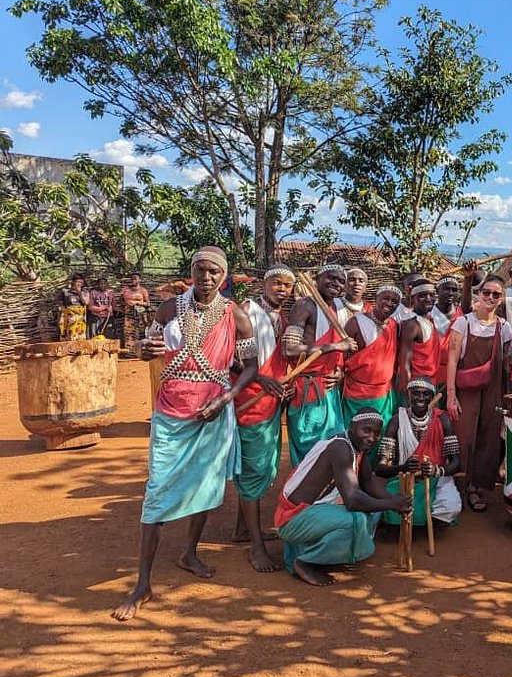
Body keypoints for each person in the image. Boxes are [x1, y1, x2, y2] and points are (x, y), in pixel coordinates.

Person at [112, 247, 258, 621]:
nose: (206, 277)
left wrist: (225, 398)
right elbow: (146, 349)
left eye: (213, 272)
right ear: (190, 271)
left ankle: (189, 552)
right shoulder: (167, 308)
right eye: (199, 270)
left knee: (206, 488)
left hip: (213, 414)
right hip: (170, 410)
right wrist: (144, 349)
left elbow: (251, 367)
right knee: (157, 491)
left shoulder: (235, 315)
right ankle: (143, 583)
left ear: (223, 276)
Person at [274, 409, 412, 585]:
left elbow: (369, 483)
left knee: (374, 513)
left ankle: (311, 552)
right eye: (367, 431)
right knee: (356, 520)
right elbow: (353, 500)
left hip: (307, 516)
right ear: (352, 427)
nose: (372, 438)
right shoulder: (340, 448)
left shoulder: (356, 448)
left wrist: (397, 502)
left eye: (377, 433)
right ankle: (306, 562)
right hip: (292, 519)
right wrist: (391, 503)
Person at [231, 264, 295, 572]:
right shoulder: (247, 311)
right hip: (251, 403)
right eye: (276, 284)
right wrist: (260, 381)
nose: (281, 289)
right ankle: (255, 547)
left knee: (260, 468)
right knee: (254, 470)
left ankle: (243, 529)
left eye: (287, 285)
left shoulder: (282, 319)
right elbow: (230, 358)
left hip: (272, 402)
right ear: (265, 286)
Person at [447, 272, 512, 512]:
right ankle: (457, 486)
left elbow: (507, 363)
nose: (491, 297)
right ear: (478, 293)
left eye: (496, 294)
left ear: (502, 298)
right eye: (486, 292)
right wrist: (451, 396)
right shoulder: (463, 322)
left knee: (488, 438)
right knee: (463, 437)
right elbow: (453, 360)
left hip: (492, 391)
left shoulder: (503, 326)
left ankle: (476, 488)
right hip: (467, 391)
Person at [283, 264, 357, 465]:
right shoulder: (305, 306)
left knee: (332, 447)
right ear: (317, 279)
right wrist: (334, 346)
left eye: (341, 281)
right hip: (307, 390)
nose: (336, 283)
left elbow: (340, 355)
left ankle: (325, 496)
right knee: (311, 452)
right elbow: (289, 349)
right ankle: (303, 494)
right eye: (331, 278)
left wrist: (340, 371)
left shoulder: (338, 309)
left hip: (329, 389)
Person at [376, 376, 462, 527]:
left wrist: (436, 470)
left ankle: (423, 524)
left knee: (450, 506)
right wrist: (403, 468)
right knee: (381, 505)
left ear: (432, 396)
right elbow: (381, 468)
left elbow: (456, 463)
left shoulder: (442, 420)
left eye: (426, 394)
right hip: (404, 479)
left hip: (435, 479)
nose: (420, 398)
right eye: (416, 393)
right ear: (409, 395)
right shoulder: (397, 421)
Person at [342, 286, 402, 428]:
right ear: (376, 298)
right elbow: (342, 356)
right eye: (386, 298)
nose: (389, 303)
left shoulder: (394, 326)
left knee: (380, 435)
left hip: (383, 393)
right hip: (356, 392)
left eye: (394, 301)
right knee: (355, 432)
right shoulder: (355, 322)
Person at [396, 280, 440, 399]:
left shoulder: (429, 320)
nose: (428, 299)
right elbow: (405, 362)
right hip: (416, 387)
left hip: (428, 382)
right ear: (412, 299)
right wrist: (408, 394)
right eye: (422, 295)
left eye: (432, 295)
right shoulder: (412, 324)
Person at [431, 276, 463, 386]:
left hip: (455, 372)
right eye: (446, 289)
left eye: (454, 290)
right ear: (437, 290)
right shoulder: (429, 313)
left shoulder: (461, 314)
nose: (450, 293)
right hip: (432, 372)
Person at [120, 272, 151, 355]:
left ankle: (140, 353)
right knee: (129, 333)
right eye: (132, 278)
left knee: (140, 333)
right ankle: (130, 353)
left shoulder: (143, 290)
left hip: (140, 315)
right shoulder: (125, 290)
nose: (133, 280)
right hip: (129, 315)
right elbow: (121, 301)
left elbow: (148, 304)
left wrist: (137, 304)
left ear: (139, 280)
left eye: (135, 278)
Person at [58, 274, 89, 341]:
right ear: (73, 282)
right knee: (69, 332)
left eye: (81, 282)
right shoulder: (65, 291)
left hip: (80, 316)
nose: (79, 284)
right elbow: (61, 306)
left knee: (80, 332)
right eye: (78, 282)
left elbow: (86, 303)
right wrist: (60, 318)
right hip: (69, 316)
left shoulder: (84, 292)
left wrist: (79, 292)